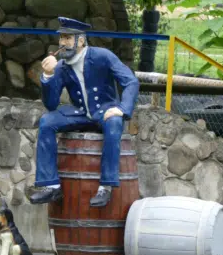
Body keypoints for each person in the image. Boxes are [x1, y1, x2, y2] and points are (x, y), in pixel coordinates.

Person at [29, 17, 140, 208]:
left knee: (114, 123)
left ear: (81, 41)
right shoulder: (61, 67)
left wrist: (122, 109)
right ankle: (52, 186)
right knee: (46, 121)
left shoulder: (102, 56)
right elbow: (51, 104)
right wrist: (47, 77)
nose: (62, 43)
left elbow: (130, 81)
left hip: (105, 110)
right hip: (79, 113)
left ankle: (106, 187)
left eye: (67, 38)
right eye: (61, 38)